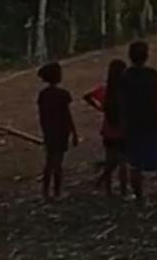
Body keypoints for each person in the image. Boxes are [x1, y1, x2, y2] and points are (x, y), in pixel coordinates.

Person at [120, 42, 157, 205]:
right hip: (152, 124)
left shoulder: (125, 77)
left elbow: (122, 103)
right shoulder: (151, 74)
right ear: (147, 56)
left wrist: (124, 126)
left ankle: (139, 198)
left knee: (135, 165)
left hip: (133, 125)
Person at [83, 59, 129, 197]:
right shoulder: (126, 92)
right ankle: (123, 191)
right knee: (123, 164)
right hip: (123, 131)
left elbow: (87, 96)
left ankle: (108, 189)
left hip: (108, 131)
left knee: (110, 161)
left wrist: (100, 108)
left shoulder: (105, 91)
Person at [37, 62, 78, 201]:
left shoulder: (43, 95)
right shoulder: (63, 94)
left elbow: (42, 116)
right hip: (61, 130)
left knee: (49, 162)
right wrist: (74, 132)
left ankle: (45, 191)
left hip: (49, 131)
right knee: (58, 163)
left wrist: (45, 131)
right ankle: (57, 192)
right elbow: (67, 115)